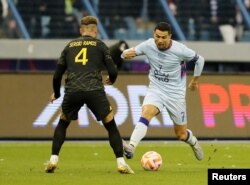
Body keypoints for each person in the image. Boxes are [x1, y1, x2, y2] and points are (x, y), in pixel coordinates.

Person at [45, 16, 134, 174]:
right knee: (110, 125)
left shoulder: (69, 46)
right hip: (94, 90)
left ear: (81, 30)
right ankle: (121, 163)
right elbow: (113, 70)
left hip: (73, 90)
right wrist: (111, 79)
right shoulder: (100, 45)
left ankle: (53, 159)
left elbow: (56, 76)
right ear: (95, 30)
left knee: (63, 123)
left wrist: (57, 93)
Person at [122, 22, 205, 161]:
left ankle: (193, 142)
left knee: (181, 135)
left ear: (170, 37)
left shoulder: (180, 50)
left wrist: (195, 80)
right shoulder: (148, 45)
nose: (159, 40)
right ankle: (131, 147)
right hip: (156, 89)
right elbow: (128, 53)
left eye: (163, 37)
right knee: (146, 113)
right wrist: (125, 54)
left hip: (175, 94)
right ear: (154, 34)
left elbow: (200, 60)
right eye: (157, 36)